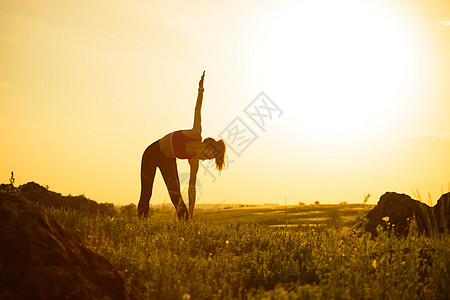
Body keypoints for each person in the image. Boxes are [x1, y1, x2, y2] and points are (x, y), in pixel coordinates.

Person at [138, 71, 226, 220]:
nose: (203, 160)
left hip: (168, 160)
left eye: (206, 160)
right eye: (205, 156)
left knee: (176, 196)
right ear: (205, 146)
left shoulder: (194, 161)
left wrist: (191, 215)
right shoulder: (195, 133)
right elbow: (198, 109)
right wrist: (200, 89)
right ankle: (141, 224)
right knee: (146, 192)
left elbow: (192, 190)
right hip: (152, 153)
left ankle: (186, 224)